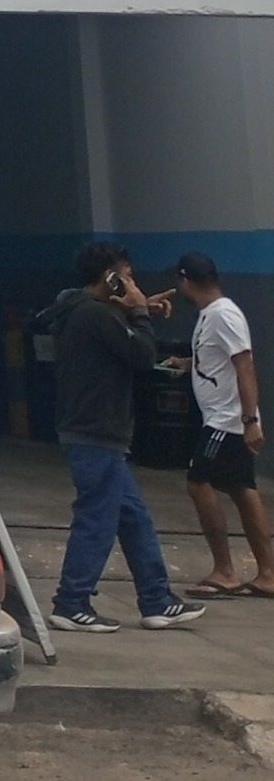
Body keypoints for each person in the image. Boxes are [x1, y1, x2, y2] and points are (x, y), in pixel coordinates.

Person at [43, 240, 207, 633]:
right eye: (128, 278)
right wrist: (139, 313)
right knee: (97, 520)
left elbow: (116, 335)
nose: (133, 284)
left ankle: (157, 599)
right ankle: (72, 602)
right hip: (97, 433)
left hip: (93, 432)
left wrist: (138, 307)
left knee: (134, 519)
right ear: (110, 279)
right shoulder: (95, 316)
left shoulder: (82, 310)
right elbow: (143, 356)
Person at [171, 253, 274, 599]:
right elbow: (220, 360)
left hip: (225, 421)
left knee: (198, 482)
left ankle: (225, 570)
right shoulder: (210, 315)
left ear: (186, 281)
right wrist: (188, 363)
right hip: (226, 418)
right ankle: (268, 573)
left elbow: (244, 366)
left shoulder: (223, 315)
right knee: (241, 488)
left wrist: (250, 420)